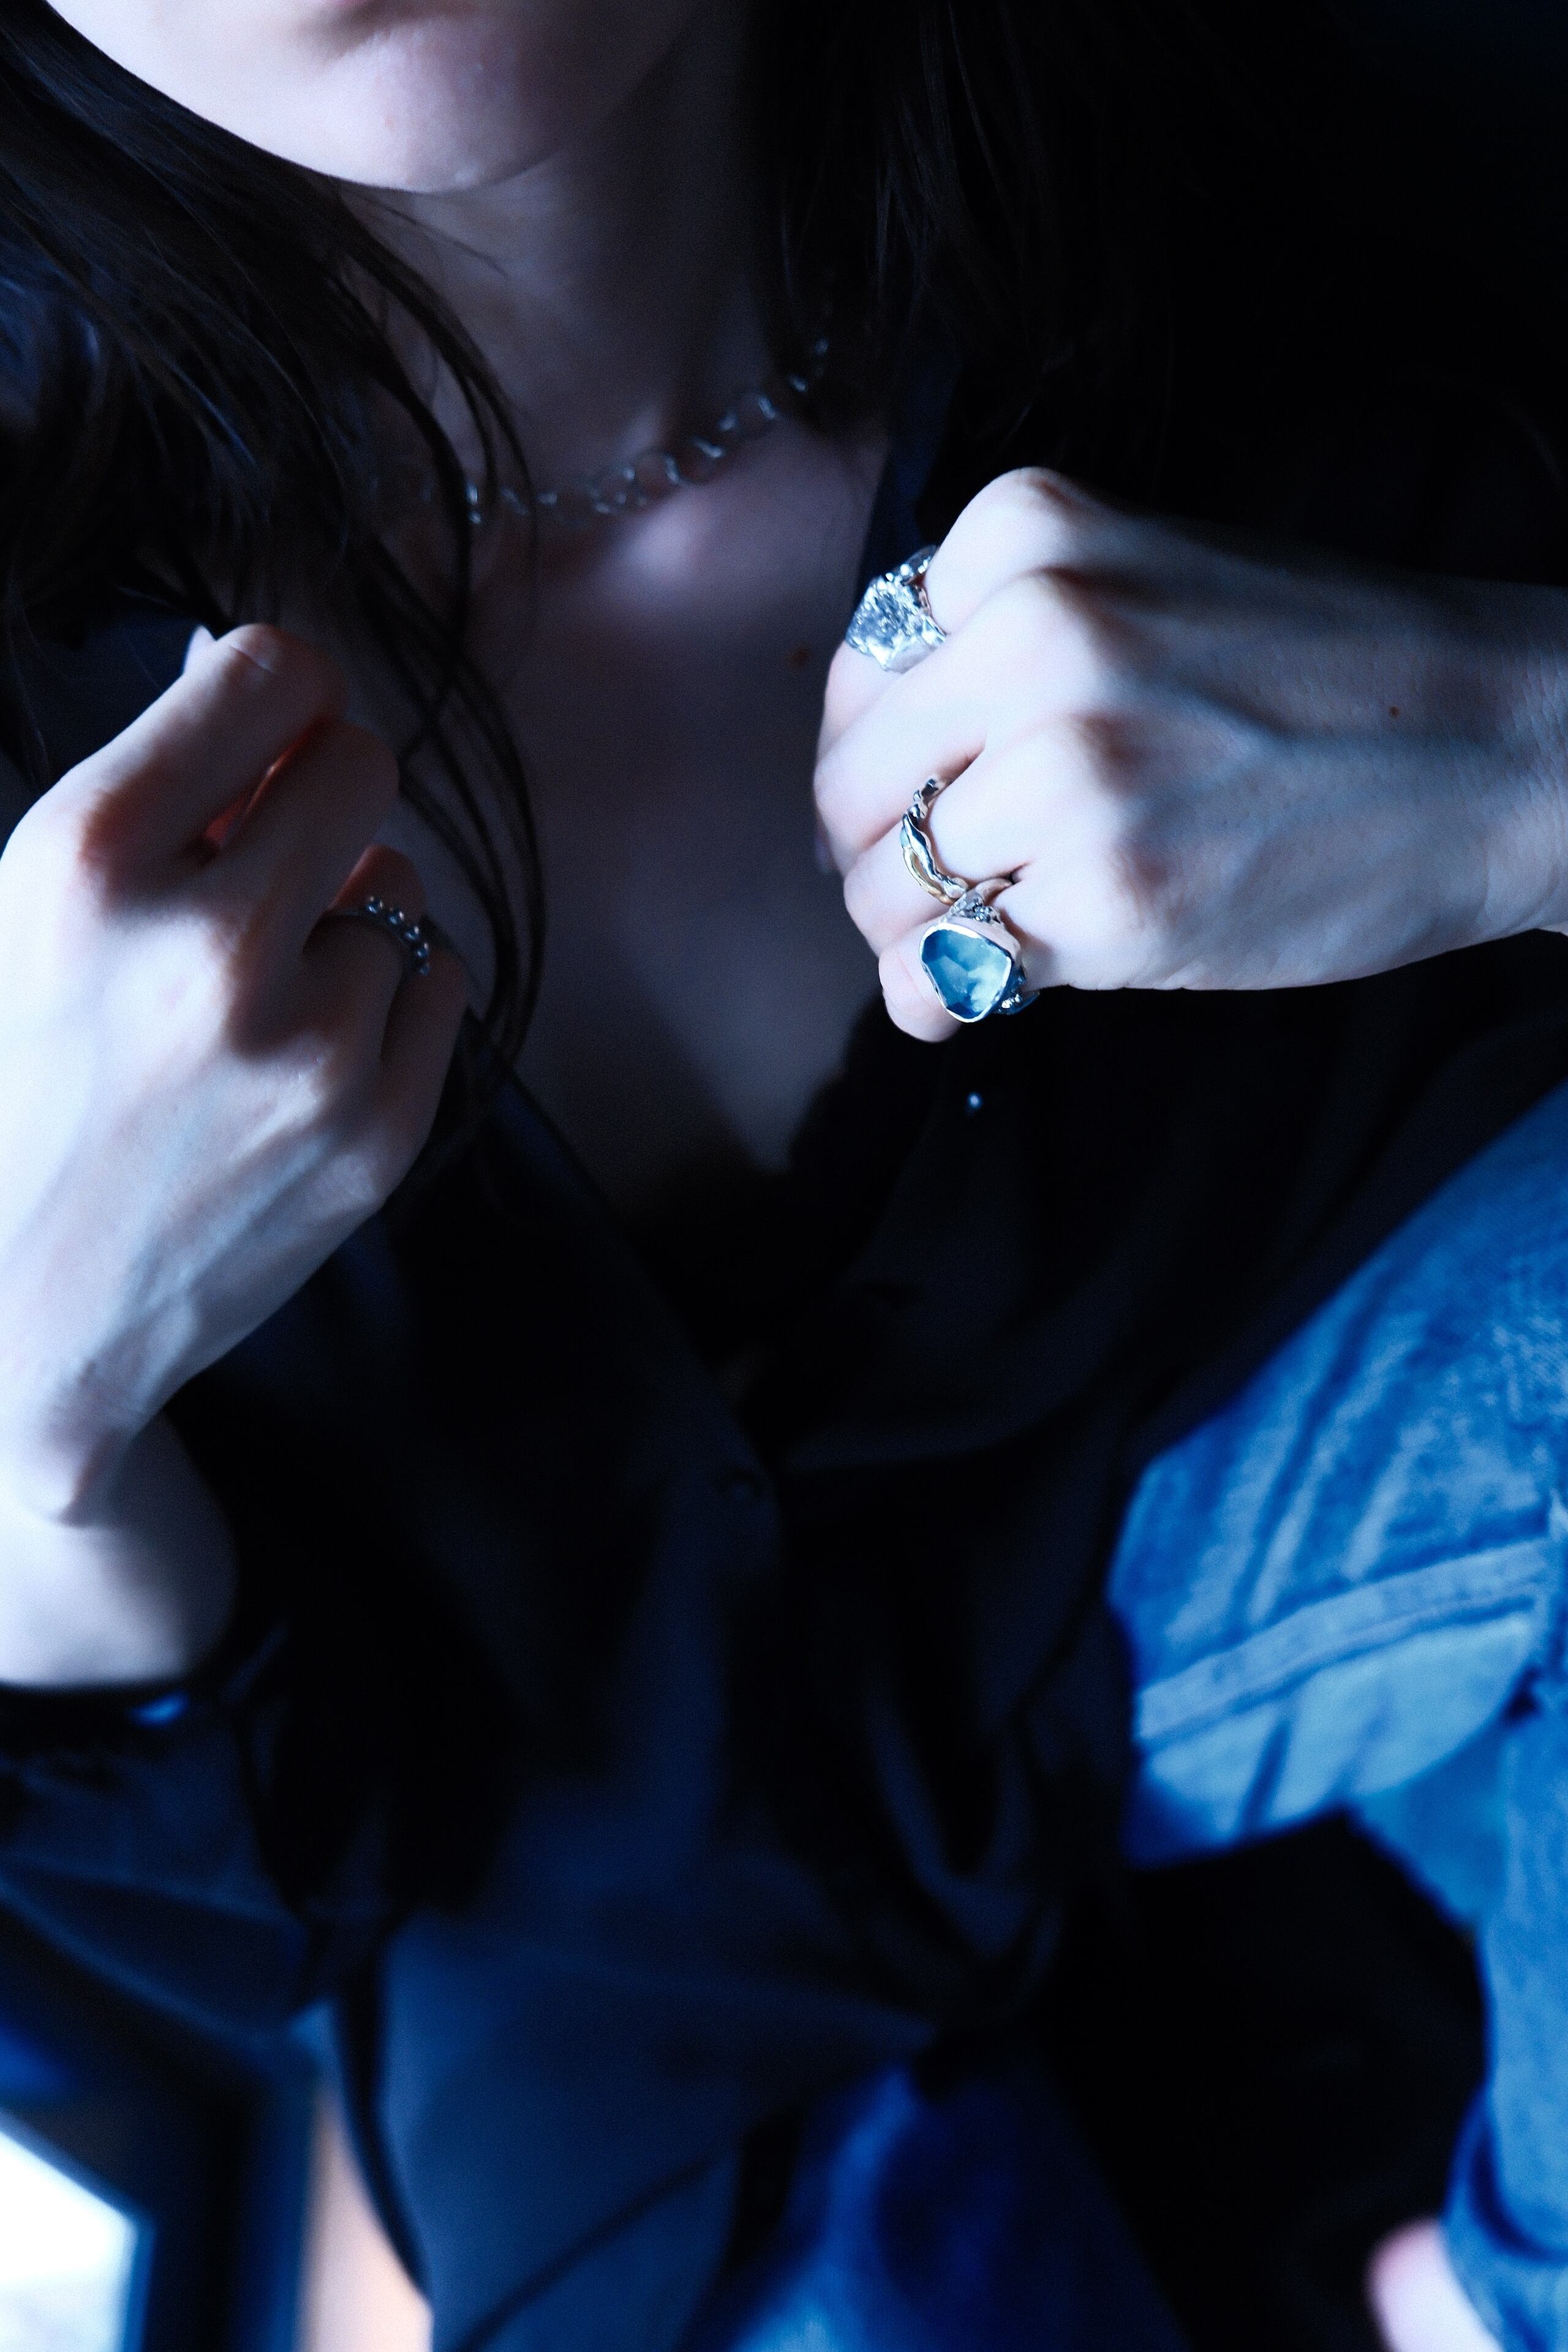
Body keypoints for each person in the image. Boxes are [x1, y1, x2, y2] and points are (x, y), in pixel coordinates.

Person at [0, 1, 1566, 2346]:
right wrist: (27, 1382)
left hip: (1283, 1505)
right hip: (614, 2007)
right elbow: (243, 1928)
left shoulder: (1338, 141)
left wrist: (1530, 759)